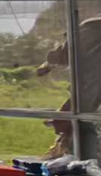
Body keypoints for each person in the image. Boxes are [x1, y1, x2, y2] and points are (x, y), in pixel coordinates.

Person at [38, 16, 101, 158]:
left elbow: (63, 53)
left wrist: (47, 66)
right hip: (90, 90)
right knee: (82, 122)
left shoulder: (89, 27)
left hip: (90, 89)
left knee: (83, 124)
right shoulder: (90, 28)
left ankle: (81, 162)